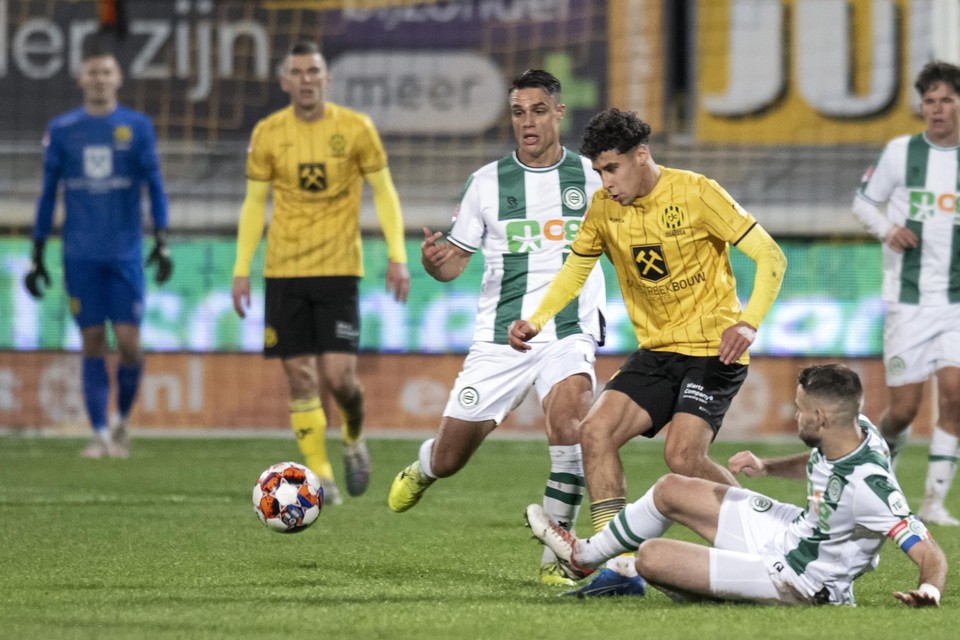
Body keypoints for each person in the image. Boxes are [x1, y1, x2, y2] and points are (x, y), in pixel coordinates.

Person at [509, 107, 787, 595]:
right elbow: (576, 270)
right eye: (598, 171)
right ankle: (618, 565)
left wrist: (749, 323)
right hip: (657, 351)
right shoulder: (603, 208)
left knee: (682, 456)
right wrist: (536, 319)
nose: (606, 181)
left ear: (642, 155)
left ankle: (774, 544)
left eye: (612, 168)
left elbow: (770, 256)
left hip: (712, 349)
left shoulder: (698, 192)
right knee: (594, 432)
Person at [386, 70, 606, 587]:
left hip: (568, 330)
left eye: (536, 110)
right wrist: (433, 262)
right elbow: (452, 266)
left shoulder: (594, 179)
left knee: (569, 430)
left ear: (558, 112)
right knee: (450, 457)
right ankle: (424, 468)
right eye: (517, 111)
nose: (526, 121)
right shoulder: (487, 182)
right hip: (498, 339)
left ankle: (558, 559)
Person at [525, 364, 948, 607]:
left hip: (802, 581)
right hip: (791, 532)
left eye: (800, 412)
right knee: (672, 486)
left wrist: (928, 589)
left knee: (652, 558)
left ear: (820, 417)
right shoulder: (855, 430)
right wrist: (767, 466)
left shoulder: (870, 486)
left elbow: (930, 552)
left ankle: (730, 591)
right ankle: (582, 557)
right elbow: (818, 460)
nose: (793, 417)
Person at [232, 41, 410, 505]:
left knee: (340, 379)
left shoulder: (355, 129)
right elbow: (254, 205)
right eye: (297, 72)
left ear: (326, 79)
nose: (306, 79)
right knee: (299, 377)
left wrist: (398, 255)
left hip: (338, 269)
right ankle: (323, 476)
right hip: (284, 270)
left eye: (314, 71)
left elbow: (384, 192)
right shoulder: (269, 133)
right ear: (284, 81)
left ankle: (353, 438)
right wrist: (240, 269)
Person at [24, 48, 172, 459]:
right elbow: (47, 193)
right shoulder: (63, 129)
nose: (100, 79)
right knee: (91, 340)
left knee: (128, 343)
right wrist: (36, 252)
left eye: (107, 71)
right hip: (79, 254)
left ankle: (123, 419)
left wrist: (162, 239)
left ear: (118, 77)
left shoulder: (138, 127)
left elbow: (155, 187)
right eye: (93, 72)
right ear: (80, 79)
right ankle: (100, 433)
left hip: (125, 253)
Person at [852, 60, 960, 526]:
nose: (936, 109)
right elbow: (862, 202)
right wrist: (888, 228)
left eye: (947, 100)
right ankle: (879, 468)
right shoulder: (900, 153)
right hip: (908, 301)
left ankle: (934, 502)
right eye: (930, 100)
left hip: (956, 303)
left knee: (956, 397)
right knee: (904, 410)